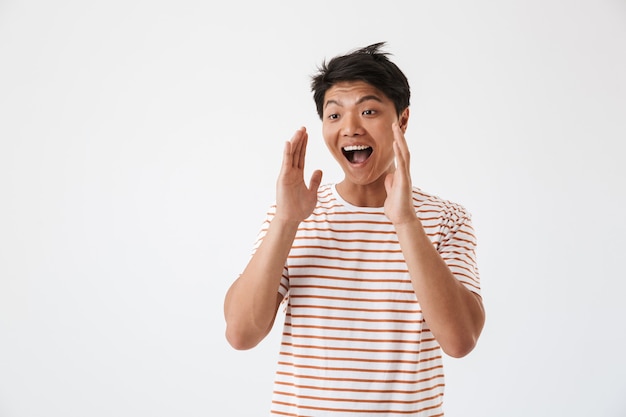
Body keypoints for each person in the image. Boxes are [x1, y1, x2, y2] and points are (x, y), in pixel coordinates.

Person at [223, 41, 485, 416]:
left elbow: (460, 341)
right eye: (334, 115)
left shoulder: (447, 219)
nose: (350, 128)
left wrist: (406, 222)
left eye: (369, 110)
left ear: (403, 120)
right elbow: (240, 334)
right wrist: (286, 221)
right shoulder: (293, 215)